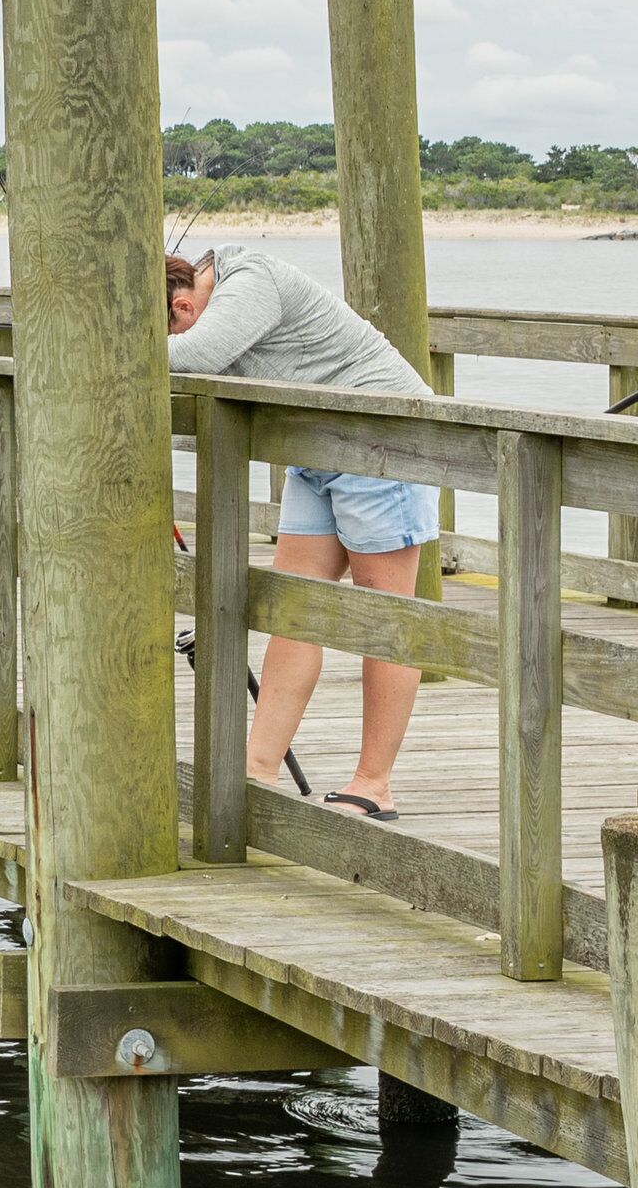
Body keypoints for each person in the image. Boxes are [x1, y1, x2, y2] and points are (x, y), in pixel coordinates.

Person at [169, 246, 439, 821]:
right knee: (290, 608)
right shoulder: (213, 302)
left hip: (381, 440)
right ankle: (257, 770)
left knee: (385, 619)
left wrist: (95, 361)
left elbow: (197, 355)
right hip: (313, 451)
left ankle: (374, 785)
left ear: (184, 303)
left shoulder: (250, 279)